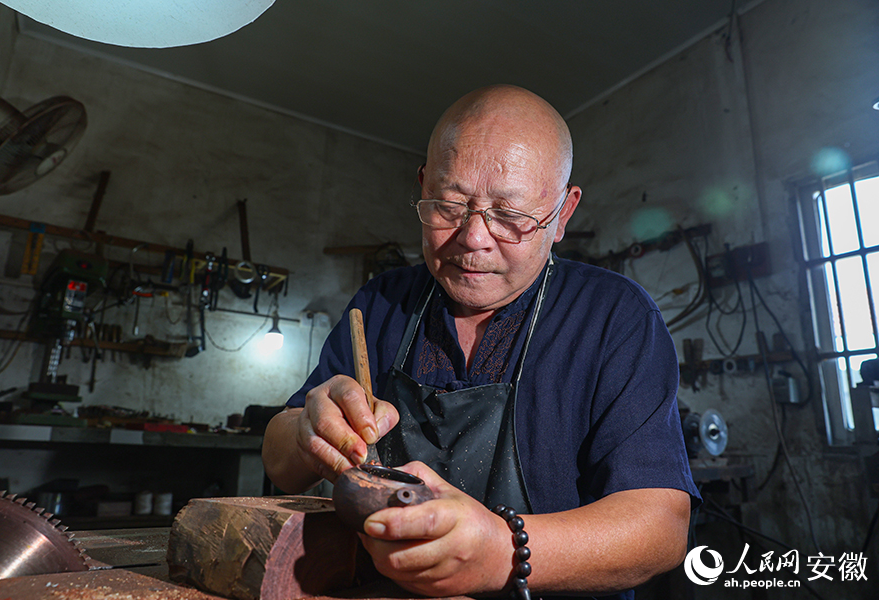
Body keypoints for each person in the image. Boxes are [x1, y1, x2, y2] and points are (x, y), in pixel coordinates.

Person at [262, 84, 699, 600]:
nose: (473, 238)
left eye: (511, 218)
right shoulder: (382, 303)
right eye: (448, 206)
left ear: (562, 214)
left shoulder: (614, 317)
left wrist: (502, 550)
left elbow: (661, 529)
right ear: (423, 183)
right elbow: (279, 459)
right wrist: (308, 431)